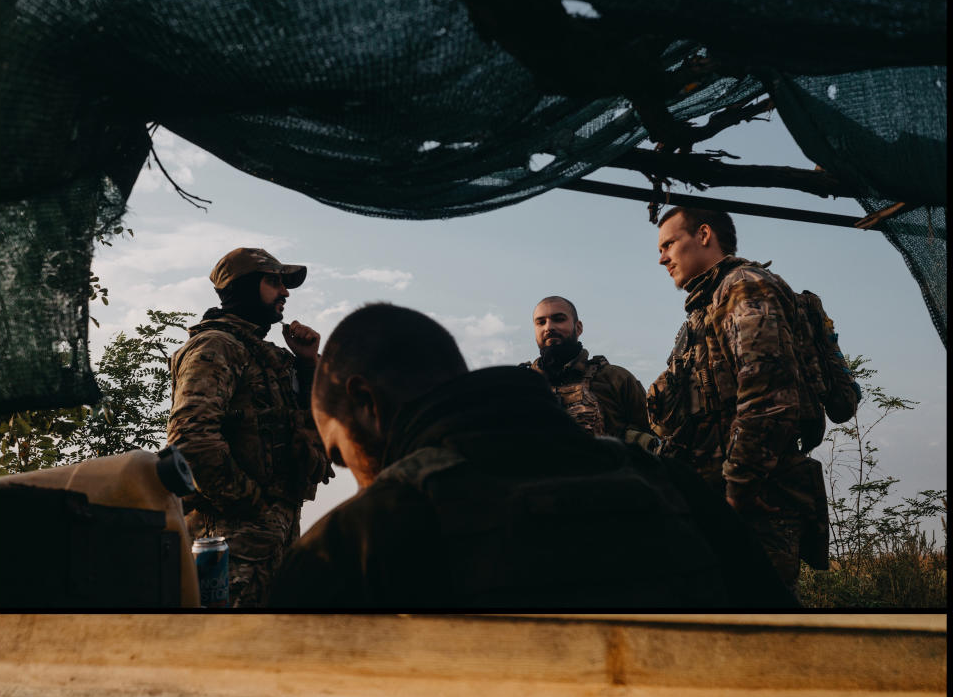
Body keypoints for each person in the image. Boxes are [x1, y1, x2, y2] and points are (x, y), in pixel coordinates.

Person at [269, 303, 797, 609]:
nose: (356, 478)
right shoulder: (674, 488)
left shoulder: (350, 545)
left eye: (340, 453)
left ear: (365, 403)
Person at [648, 207, 830, 590]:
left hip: (756, 502)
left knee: (761, 626)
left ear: (703, 235)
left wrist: (740, 487)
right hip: (724, 499)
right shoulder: (708, 303)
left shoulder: (744, 286)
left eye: (669, 244)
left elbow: (769, 394)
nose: (662, 257)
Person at [167, 247, 333, 607]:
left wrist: (307, 364)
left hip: (271, 542)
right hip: (230, 545)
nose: (285, 292)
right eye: (273, 282)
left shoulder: (266, 355)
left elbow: (310, 425)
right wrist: (254, 507)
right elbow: (191, 440)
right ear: (243, 287)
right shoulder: (216, 346)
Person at [524, 296, 653, 448]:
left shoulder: (615, 379)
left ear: (578, 328)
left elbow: (654, 439)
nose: (548, 327)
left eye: (559, 319)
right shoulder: (520, 385)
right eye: (541, 322)